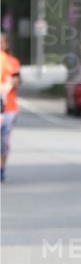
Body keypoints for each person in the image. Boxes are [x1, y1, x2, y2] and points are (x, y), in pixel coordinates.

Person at [1, 32, 21, 183]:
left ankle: (2, 168)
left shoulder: (11, 61)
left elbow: (16, 80)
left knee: (4, 142)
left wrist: (8, 85)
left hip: (8, 108)